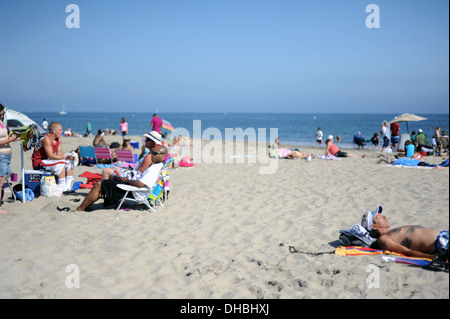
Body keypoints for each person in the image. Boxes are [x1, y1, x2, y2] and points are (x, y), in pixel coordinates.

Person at [75, 145, 168, 211]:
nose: (151, 155)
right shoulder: (158, 166)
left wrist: (126, 181)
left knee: (99, 185)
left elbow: (141, 184)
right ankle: (96, 200)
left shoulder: (154, 169)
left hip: (134, 192)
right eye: (151, 152)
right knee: (108, 181)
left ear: (162, 156)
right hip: (136, 190)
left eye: (154, 153)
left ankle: (80, 209)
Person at [361, 207, 448, 268]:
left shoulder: (391, 233)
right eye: (380, 217)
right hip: (440, 244)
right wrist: (433, 257)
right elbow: (406, 252)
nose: (385, 217)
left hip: (444, 235)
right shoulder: (383, 239)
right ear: (374, 226)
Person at [31, 121, 76, 192]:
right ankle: (62, 188)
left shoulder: (58, 139)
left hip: (48, 161)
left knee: (70, 161)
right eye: (60, 130)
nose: (62, 131)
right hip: (39, 163)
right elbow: (51, 156)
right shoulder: (46, 139)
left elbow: (59, 153)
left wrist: (68, 154)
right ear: (54, 131)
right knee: (61, 163)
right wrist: (65, 156)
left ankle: (68, 187)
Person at [0, 104, 22, 214]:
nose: (2, 116)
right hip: (1, 155)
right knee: (0, 183)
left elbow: (6, 138)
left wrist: (16, 138)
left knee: (4, 183)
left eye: (3, 114)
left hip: (7, 155)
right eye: (1, 114)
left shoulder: (1, 124)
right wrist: (10, 140)